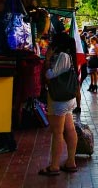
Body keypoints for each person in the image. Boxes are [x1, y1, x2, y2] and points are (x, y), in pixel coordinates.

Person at [39, 33, 78, 176]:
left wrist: (48, 59)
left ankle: (54, 166)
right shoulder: (69, 55)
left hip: (60, 99)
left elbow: (50, 75)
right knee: (70, 129)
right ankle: (70, 162)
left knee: (57, 132)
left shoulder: (63, 56)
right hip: (67, 98)